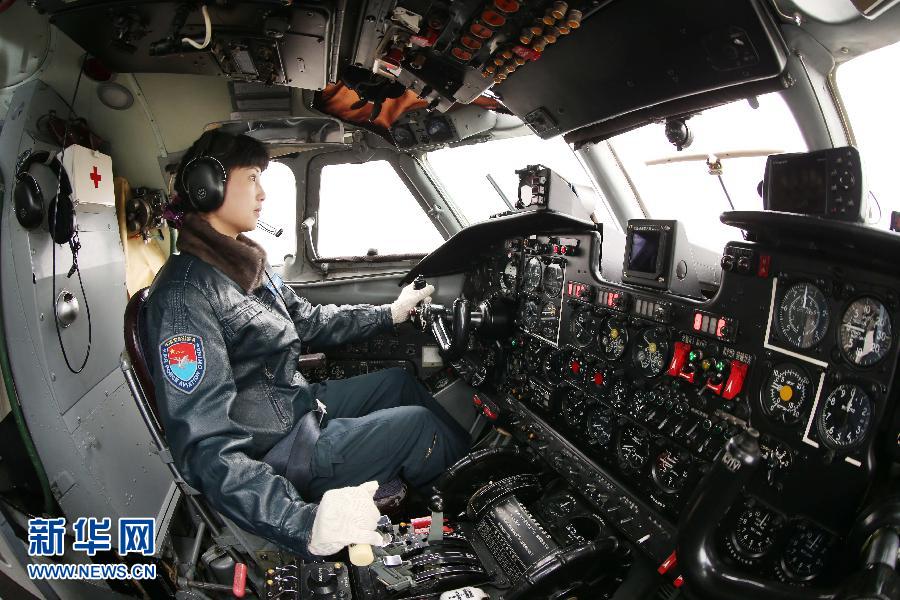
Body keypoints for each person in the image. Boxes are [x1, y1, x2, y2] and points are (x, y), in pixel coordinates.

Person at [142, 129, 470, 558]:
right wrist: (303, 523)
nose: (263, 193)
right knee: (418, 428)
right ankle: (463, 521)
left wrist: (390, 313)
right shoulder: (184, 298)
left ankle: (461, 475)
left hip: (292, 406)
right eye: (253, 177)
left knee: (398, 382)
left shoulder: (245, 264)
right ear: (209, 186)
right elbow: (207, 448)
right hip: (278, 448)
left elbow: (309, 320)